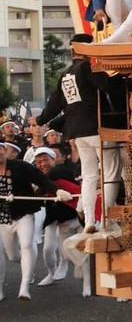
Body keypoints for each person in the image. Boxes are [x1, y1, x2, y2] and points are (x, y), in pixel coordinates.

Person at [34, 34, 115, 231]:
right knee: (111, 172)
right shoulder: (87, 67)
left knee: (89, 176)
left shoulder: (65, 74)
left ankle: (88, 220)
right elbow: (105, 85)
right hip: (96, 128)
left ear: (72, 50)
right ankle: (105, 219)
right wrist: (103, 66)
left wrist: (39, 120)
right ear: (87, 49)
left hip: (76, 132)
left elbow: (54, 104)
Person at [0, 141, 71, 301]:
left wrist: (57, 190)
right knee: (12, 256)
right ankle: (24, 270)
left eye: (0, 149)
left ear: (5, 150)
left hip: (24, 213)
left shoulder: (20, 166)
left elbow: (41, 179)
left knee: (26, 244)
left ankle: (24, 287)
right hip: (3, 217)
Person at [31, 147, 81, 287]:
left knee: (71, 250)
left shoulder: (62, 171)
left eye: (45, 160)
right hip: (52, 217)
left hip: (71, 214)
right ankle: (51, 273)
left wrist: (39, 186)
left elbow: (46, 182)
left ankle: (67, 265)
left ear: (54, 159)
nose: (42, 164)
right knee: (47, 249)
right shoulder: (37, 175)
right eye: (38, 162)